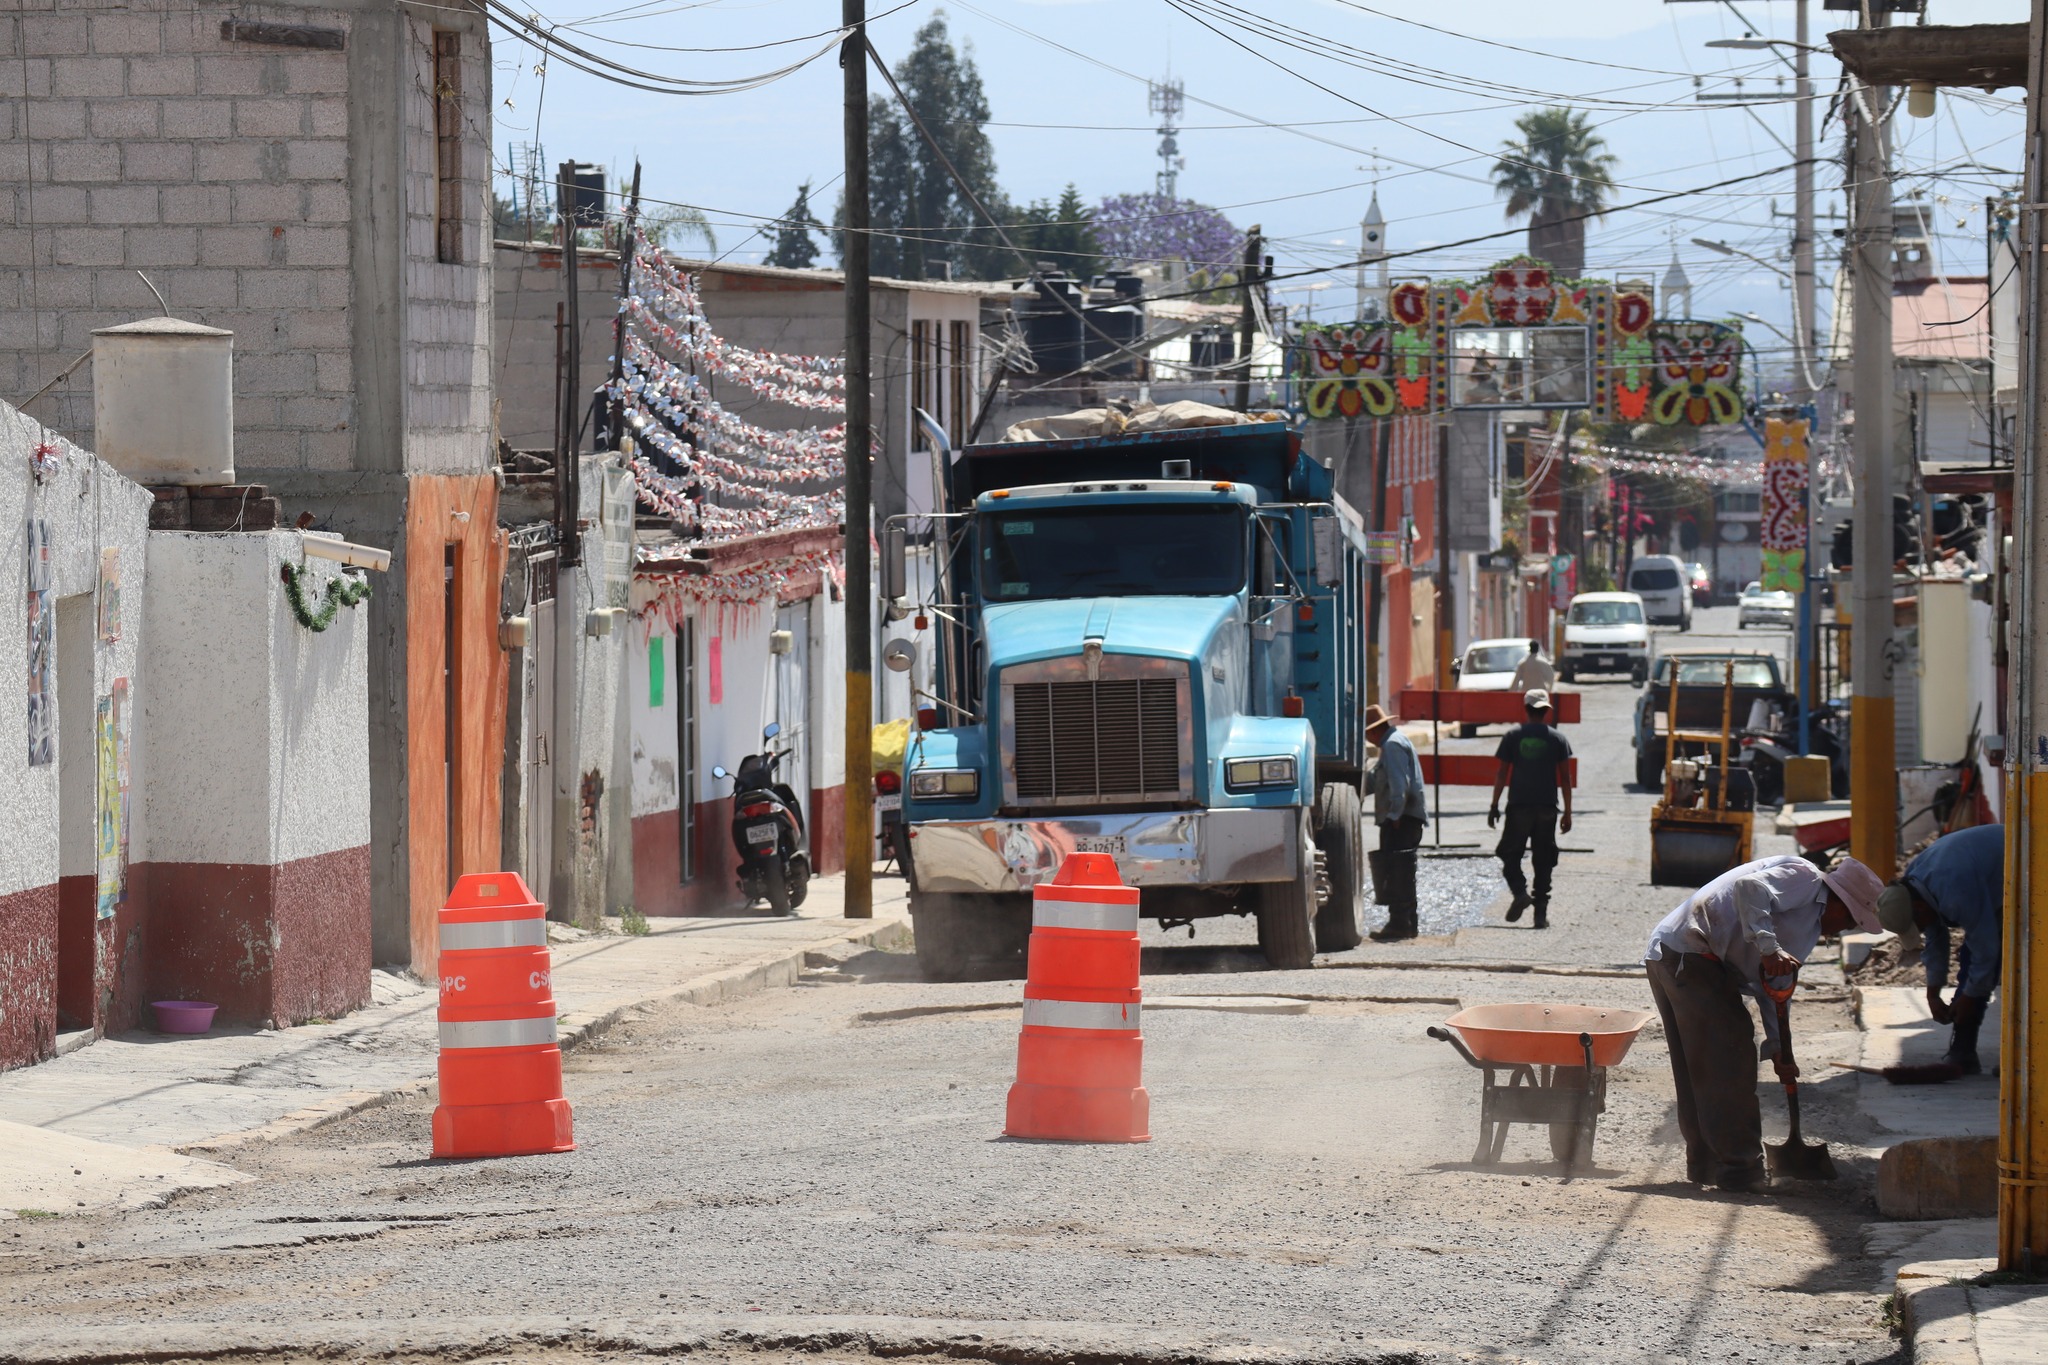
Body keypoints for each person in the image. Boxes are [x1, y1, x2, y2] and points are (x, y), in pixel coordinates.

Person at [1643, 855, 1885, 1191]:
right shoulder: (1804, 876)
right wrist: (1768, 947)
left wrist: (1779, 1048)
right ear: (1840, 902)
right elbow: (1750, 888)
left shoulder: (1810, 929)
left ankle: (1708, 1166)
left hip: (1685, 955)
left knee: (1701, 1064)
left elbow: (1775, 987)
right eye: (1849, 921)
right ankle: (1740, 1169)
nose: (1844, 930)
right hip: (1688, 952)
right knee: (1730, 1057)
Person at [1876, 823, 2004, 1074]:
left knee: (2018, 963)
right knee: (1973, 965)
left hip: (2033, 867)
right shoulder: (1915, 884)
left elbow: (1986, 949)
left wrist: (1969, 997)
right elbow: (1936, 939)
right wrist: (1932, 994)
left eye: (1918, 926)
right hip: (1997, 882)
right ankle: (1964, 1050)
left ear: (1918, 909)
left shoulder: (1953, 888)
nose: (1921, 931)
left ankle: (2022, 1056)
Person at [1487, 689, 1572, 928]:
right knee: (1544, 859)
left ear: (1525, 709)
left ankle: (1520, 892)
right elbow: (1565, 778)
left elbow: (1502, 773)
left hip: (1519, 807)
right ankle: (1540, 915)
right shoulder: (1558, 739)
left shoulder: (1512, 736)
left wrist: (1494, 805)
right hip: (1547, 808)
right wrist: (1567, 811)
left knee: (1508, 853)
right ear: (1546, 711)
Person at [1365, 703, 1427, 942]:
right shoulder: (1394, 742)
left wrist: (1395, 815)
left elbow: (1400, 785)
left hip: (1401, 818)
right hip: (1404, 817)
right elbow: (1376, 781)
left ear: (1373, 731)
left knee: (1397, 870)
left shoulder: (1391, 746)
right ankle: (1407, 924)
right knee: (1404, 870)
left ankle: (1400, 924)